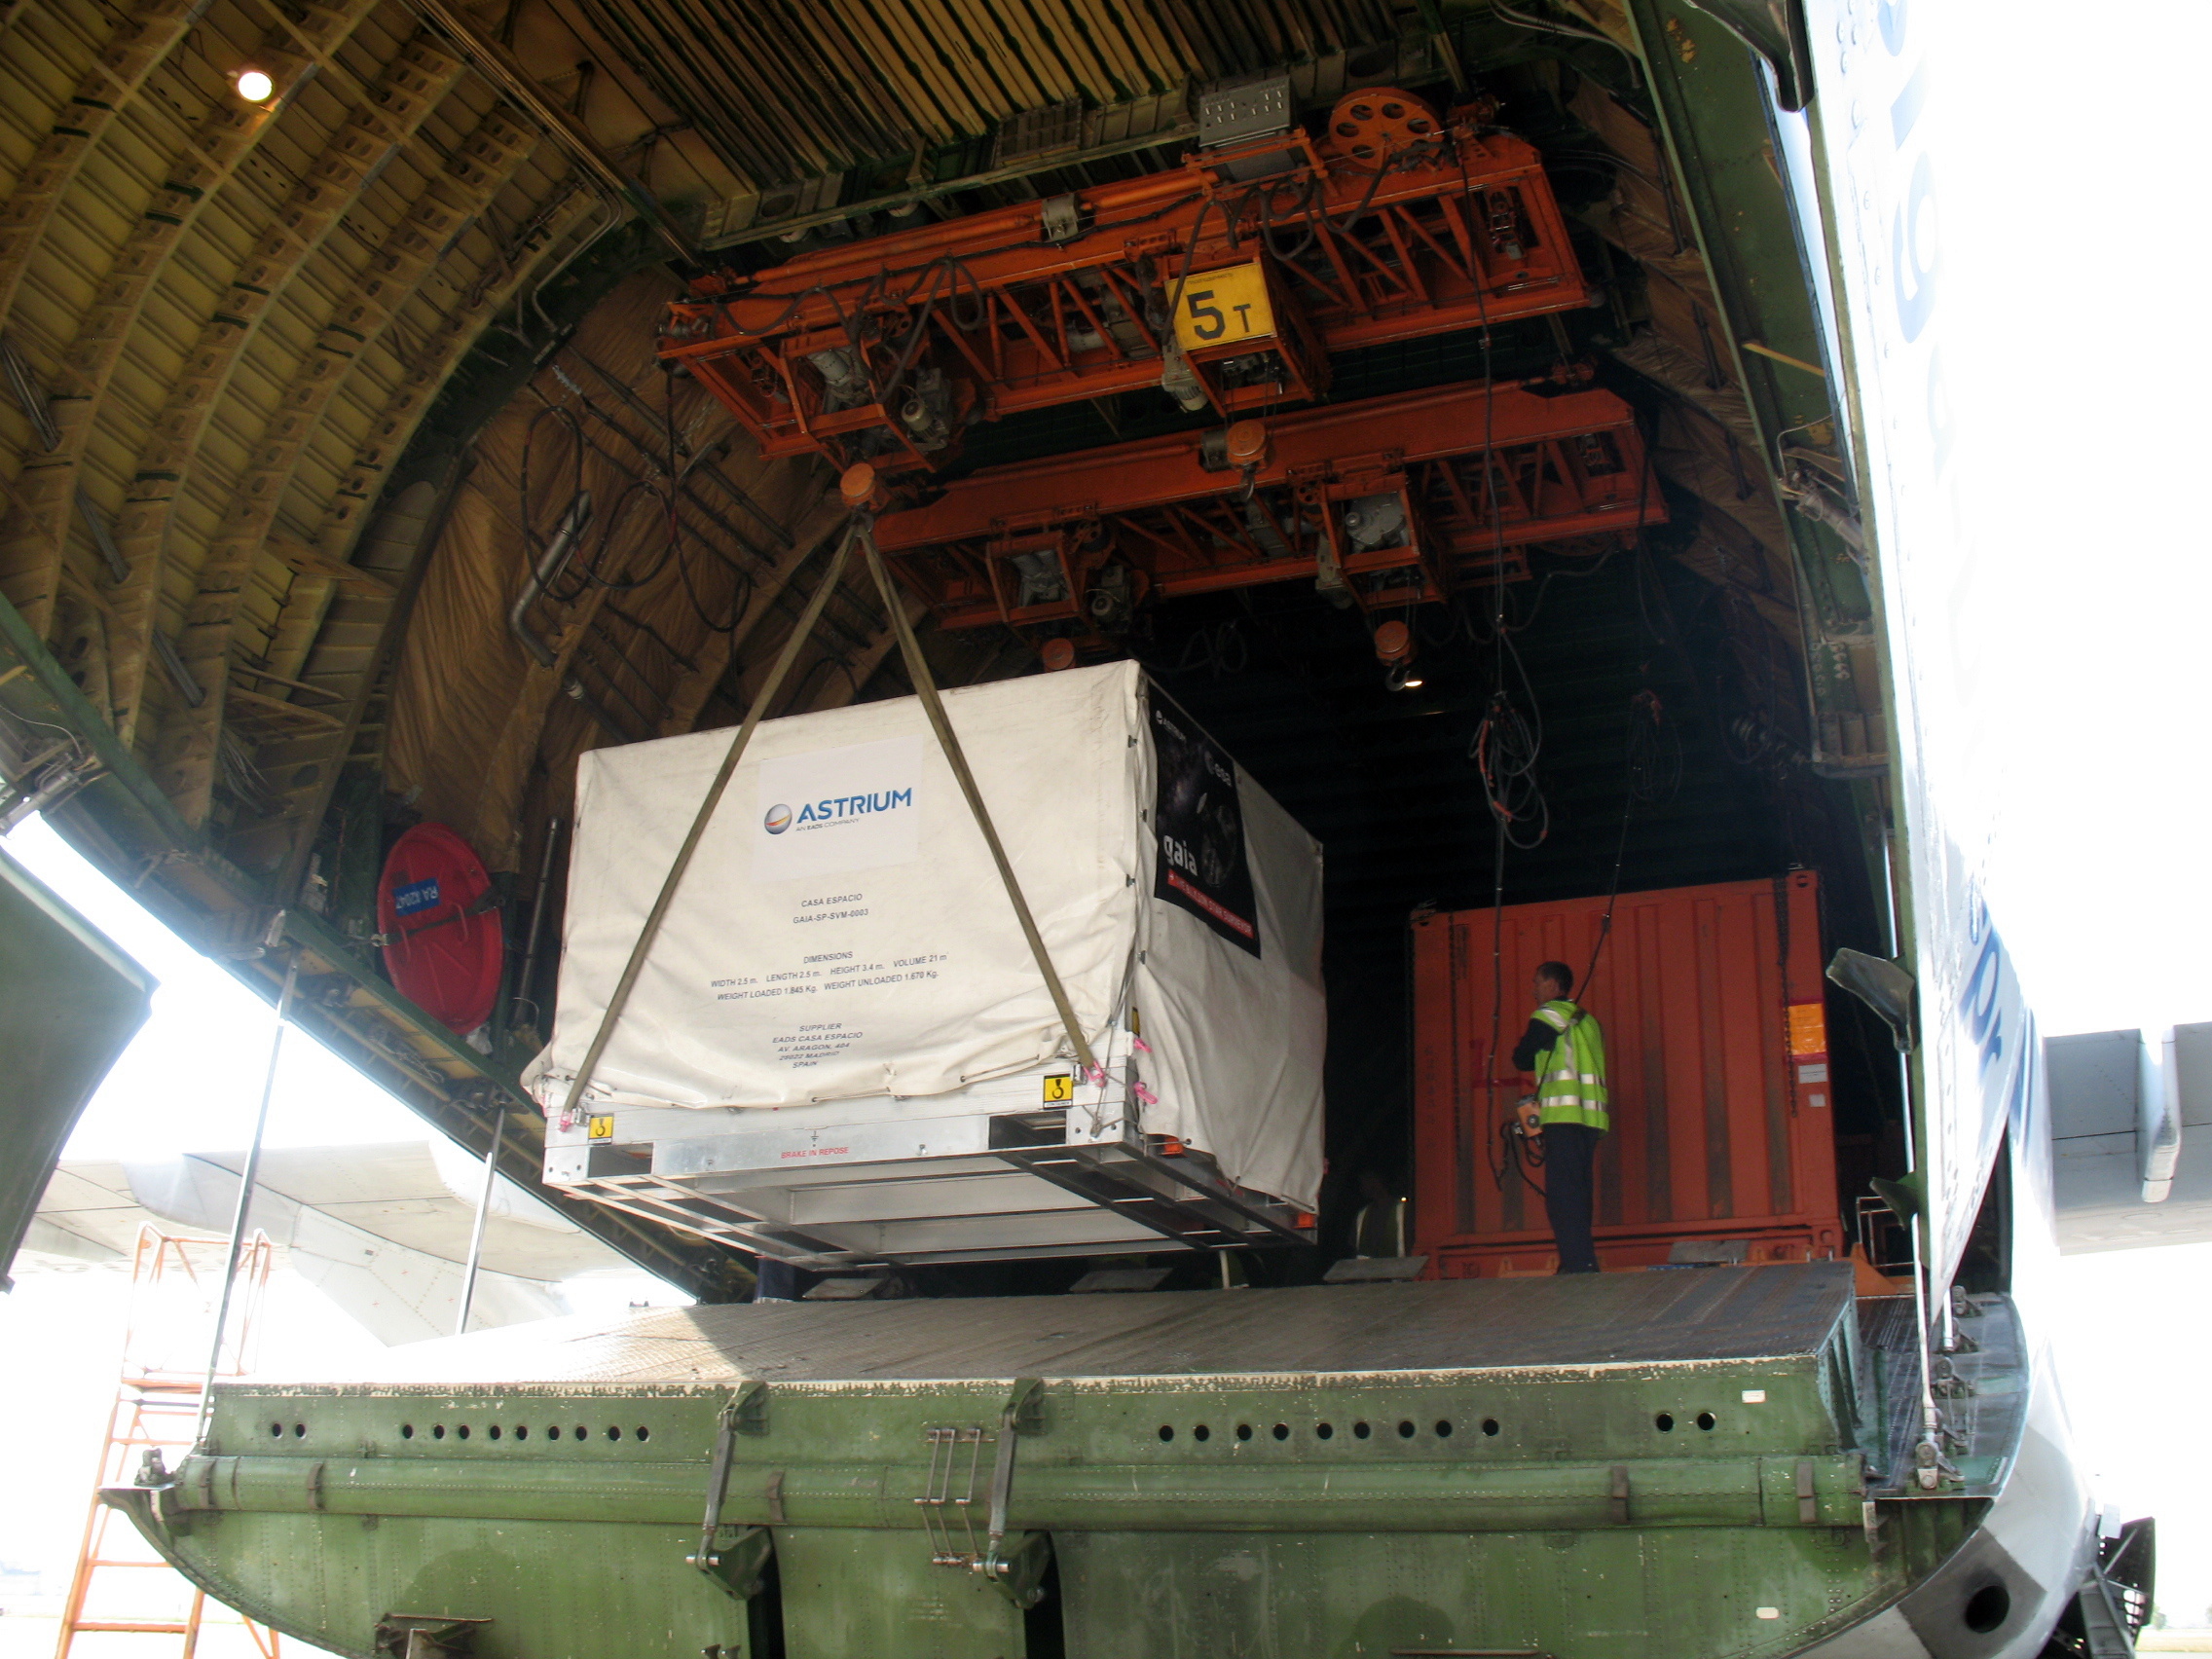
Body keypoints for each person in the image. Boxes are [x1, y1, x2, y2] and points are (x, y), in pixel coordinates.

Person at [1509, 960, 1609, 1273]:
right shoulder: (1590, 1022)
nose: (1533, 989)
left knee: (1562, 1197)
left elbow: (1521, 1058)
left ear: (1553, 986)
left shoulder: (1548, 1014)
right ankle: (1581, 1259)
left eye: (1537, 982)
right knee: (1578, 1192)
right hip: (1591, 1120)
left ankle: (1578, 1265)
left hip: (1563, 1117)